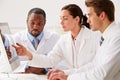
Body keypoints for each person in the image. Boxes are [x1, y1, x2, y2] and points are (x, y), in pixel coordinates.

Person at [13, 4, 100, 75]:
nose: (61, 22)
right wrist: (28, 54)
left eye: (65, 19)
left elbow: (95, 66)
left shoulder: (95, 37)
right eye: (60, 18)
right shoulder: (64, 39)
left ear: (76, 19)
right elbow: (50, 60)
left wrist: (65, 73)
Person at [46, 0, 120, 80]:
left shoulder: (117, 37)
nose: (87, 21)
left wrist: (68, 77)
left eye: (90, 15)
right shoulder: (107, 37)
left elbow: (102, 74)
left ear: (102, 15)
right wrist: (65, 73)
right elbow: (94, 64)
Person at [12, 8, 60, 74]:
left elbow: (61, 63)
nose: (35, 27)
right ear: (27, 21)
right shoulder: (15, 39)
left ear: (45, 23)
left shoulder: (55, 38)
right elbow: (10, 66)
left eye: (39, 23)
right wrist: (28, 68)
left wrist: (44, 69)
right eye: (32, 23)